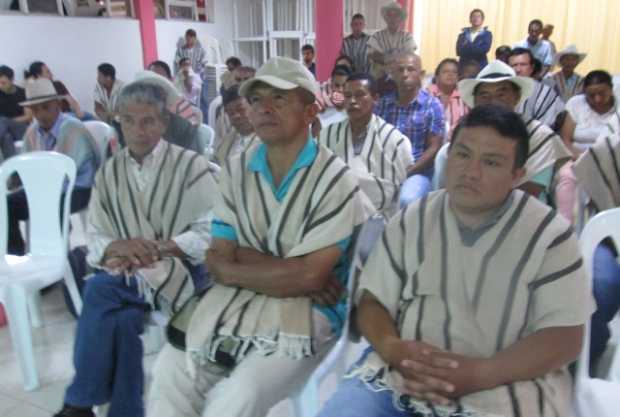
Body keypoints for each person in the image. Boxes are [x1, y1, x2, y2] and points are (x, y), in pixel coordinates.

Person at [317, 104, 591, 417]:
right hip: (401, 376)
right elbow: (372, 302)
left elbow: (565, 338)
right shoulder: (413, 219)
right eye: (462, 154)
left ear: (517, 175)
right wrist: (394, 350)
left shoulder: (550, 237)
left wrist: (479, 374)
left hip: (505, 387)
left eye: (491, 162)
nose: (470, 171)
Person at [147, 56, 373, 417]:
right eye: (256, 99)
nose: (264, 108)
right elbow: (219, 257)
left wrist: (240, 264)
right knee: (169, 372)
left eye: (280, 98)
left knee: (240, 394)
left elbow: (309, 277)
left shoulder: (335, 179)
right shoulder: (237, 171)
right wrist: (290, 272)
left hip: (310, 309)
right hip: (237, 297)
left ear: (311, 110)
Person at [52, 80, 219, 417]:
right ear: (119, 122)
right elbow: (96, 233)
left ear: (164, 123)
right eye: (128, 121)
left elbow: (211, 233)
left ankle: (80, 403)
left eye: (148, 121)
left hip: (178, 271)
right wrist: (120, 244)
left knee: (98, 289)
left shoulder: (191, 165)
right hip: (125, 270)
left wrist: (162, 247)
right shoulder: (110, 171)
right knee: (123, 320)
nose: (138, 130)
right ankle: (125, 411)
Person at [458, 60, 571, 204]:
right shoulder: (468, 135)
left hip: (524, 214)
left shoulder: (538, 135)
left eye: (501, 94)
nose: (493, 102)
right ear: (475, 101)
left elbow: (530, 192)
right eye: (484, 95)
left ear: (517, 96)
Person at [8, 78, 100, 255]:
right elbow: (27, 167)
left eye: (45, 107)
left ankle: (55, 262)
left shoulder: (73, 129)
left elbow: (68, 171)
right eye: (35, 109)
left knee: (50, 204)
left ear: (57, 104)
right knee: (6, 204)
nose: (41, 114)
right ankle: (16, 258)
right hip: (43, 189)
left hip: (77, 188)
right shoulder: (32, 132)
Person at [318, 72, 412, 215]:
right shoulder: (326, 135)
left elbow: (394, 190)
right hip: (335, 216)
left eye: (360, 95)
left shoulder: (395, 140)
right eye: (348, 96)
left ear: (375, 99)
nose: (353, 101)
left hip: (381, 219)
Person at [573, 116, 620, 372]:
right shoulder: (612, 143)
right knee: (601, 284)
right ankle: (585, 364)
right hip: (611, 239)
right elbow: (595, 166)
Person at [375, 52, 444, 207]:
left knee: (407, 200)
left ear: (421, 74)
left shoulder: (432, 105)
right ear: (392, 74)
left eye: (411, 69)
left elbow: (434, 147)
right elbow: (374, 140)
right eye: (400, 70)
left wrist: (407, 171)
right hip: (383, 170)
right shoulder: (383, 104)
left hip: (417, 172)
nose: (405, 74)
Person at [555, 70, 619, 222]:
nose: (597, 99)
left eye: (602, 93)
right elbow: (565, 140)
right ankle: (565, 227)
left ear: (611, 89)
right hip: (576, 156)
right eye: (591, 95)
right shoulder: (576, 104)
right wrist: (583, 158)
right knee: (567, 176)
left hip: (612, 159)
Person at [509, 48, 564, 128]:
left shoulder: (546, 92)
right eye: (514, 65)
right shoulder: (502, 91)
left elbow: (550, 123)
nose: (518, 70)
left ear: (531, 68)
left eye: (523, 64)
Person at [27, 61, 94, 121]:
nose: (51, 74)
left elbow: (69, 98)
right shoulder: (35, 90)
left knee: (91, 117)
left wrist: (78, 110)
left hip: (69, 114)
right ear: (39, 75)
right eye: (48, 72)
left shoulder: (57, 84)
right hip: (56, 117)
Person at [367, 2, 417, 80]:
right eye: (390, 15)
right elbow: (372, 55)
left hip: (401, 77)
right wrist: (397, 58)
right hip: (380, 77)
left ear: (400, 18)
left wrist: (386, 59)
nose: (392, 18)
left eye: (396, 15)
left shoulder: (407, 36)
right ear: (386, 18)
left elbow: (409, 56)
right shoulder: (377, 36)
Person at [211, 85, 258, 165]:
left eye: (241, 109)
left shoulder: (267, 141)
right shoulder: (230, 138)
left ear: (253, 106)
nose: (236, 116)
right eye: (230, 113)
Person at [147, 61, 203, 126]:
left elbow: (194, 124)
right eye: (151, 79)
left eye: (160, 79)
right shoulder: (141, 108)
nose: (155, 84)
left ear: (169, 81)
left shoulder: (182, 108)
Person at [427, 58, 469, 137]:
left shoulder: (464, 97)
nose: (450, 74)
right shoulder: (427, 94)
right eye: (445, 72)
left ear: (458, 77)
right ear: (437, 77)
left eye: (454, 72)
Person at [0, 65, 31, 159]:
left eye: (3, 83)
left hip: (22, 129)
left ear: (12, 80)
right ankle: (12, 171)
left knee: (3, 120)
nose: (0, 86)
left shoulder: (22, 93)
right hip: (3, 130)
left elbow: (29, 116)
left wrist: (8, 122)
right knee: (6, 138)